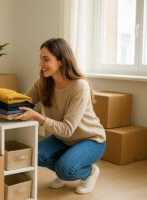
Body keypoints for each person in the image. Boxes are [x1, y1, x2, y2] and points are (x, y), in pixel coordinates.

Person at [13, 38, 106, 194]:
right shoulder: (43, 82)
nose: (41, 64)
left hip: (90, 139)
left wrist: (38, 117)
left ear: (61, 60)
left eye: (46, 59)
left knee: (65, 169)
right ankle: (66, 166)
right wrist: (2, 106)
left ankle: (89, 172)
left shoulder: (79, 86)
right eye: (40, 59)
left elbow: (68, 129)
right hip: (64, 139)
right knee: (34, 155)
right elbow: (24, 102)